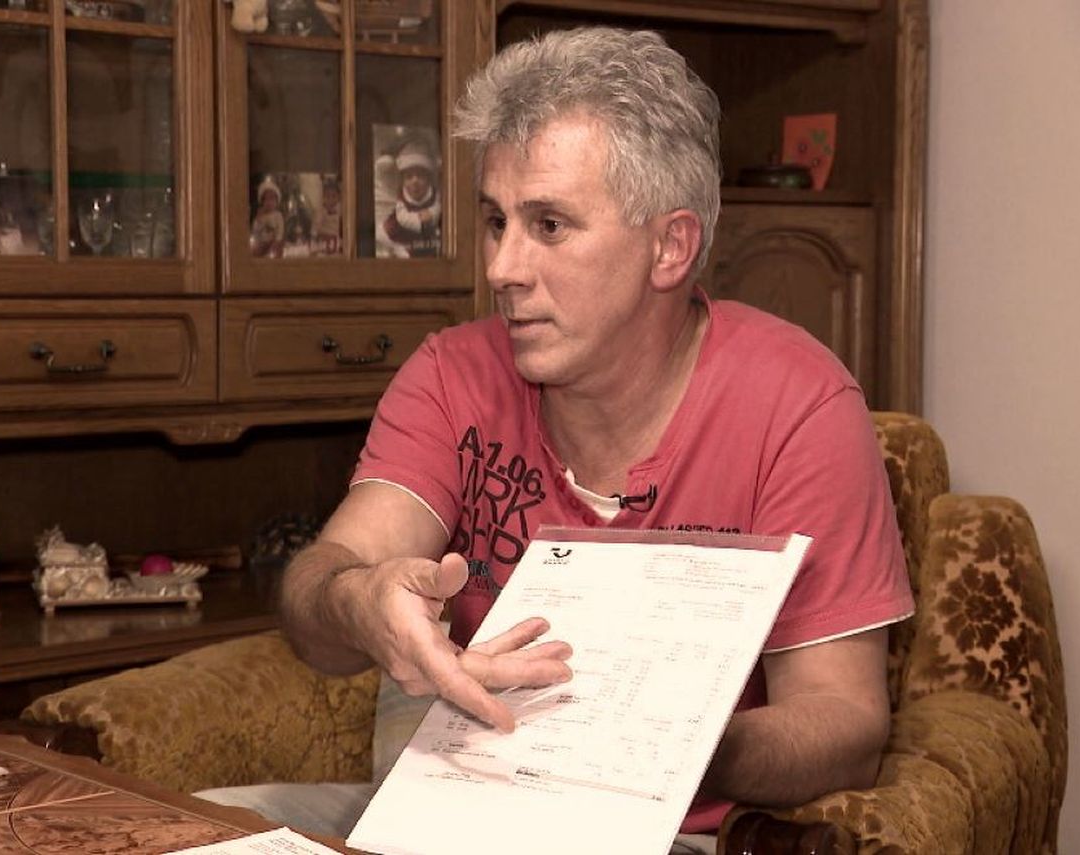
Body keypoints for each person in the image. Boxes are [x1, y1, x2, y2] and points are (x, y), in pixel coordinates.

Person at [208, 26, 915, 845]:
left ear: (670, 246)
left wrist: (674, 745)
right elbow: (322, 585)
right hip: (445, 813)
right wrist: (359, 602)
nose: (502, 267)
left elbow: (846, 722)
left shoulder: (800, 404)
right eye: (495, 220)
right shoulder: (451, 374)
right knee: (193, 828)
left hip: (670, 832)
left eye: (548, 225)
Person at [381, 140, 442, 257]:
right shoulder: (401, 199)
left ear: (429, 179)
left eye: (421, 176)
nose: (415, 182)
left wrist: (432, 214)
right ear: (403, 181)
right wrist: (418, 220)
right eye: (409, 177)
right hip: (406, 234)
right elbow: (402, 216)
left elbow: (438, 207)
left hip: (429, 237)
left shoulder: (434, 195)